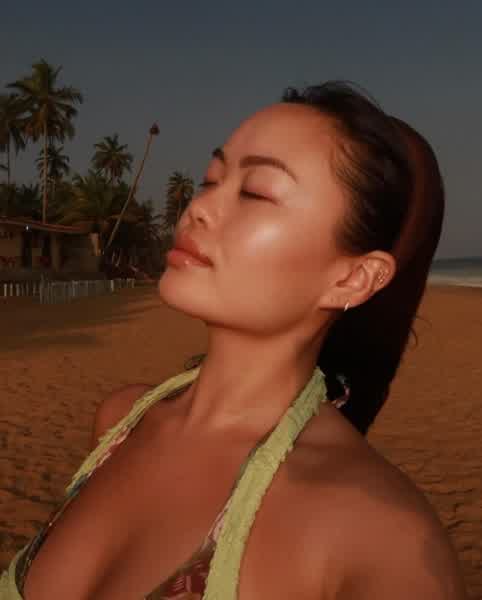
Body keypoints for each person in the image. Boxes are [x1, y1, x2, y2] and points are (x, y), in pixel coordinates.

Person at [1, 81, 468, 599]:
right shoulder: (120, 424)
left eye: (256, 193)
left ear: (353, 279)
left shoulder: (378, 538)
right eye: (210, 180)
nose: (197, 209)